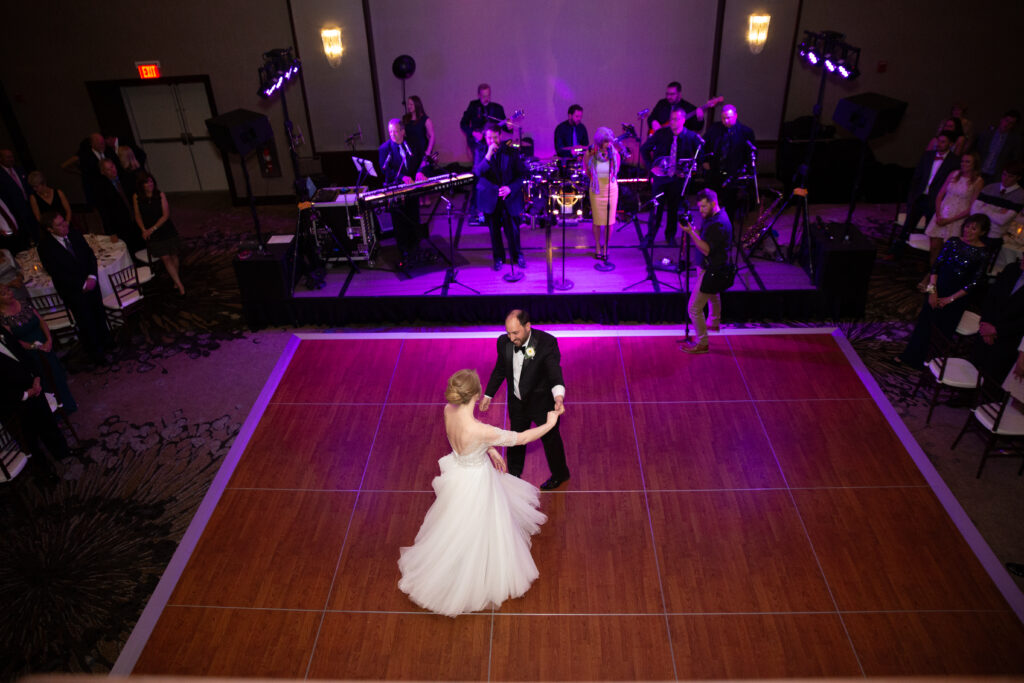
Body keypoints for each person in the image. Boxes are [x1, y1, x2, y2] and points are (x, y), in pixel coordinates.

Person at [397, 368, 560, 617]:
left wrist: (490, 450)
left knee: (455, 525)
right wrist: (550, 423)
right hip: (477, 481)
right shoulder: (481, 431)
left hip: (459, 473)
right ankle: (471, 573)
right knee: (479, 526)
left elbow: (464, 443)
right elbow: (523, 437)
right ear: (475, 395)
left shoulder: (447, 411)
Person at [480, 309, 569, 490]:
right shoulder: (503, 342)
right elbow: (500, 369)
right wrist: (488, 394)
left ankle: (560, 474)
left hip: (541, 403)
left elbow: (554, 373)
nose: (511, 338)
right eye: (508, 333)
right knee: (515, 438)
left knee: (551, 440)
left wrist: (558, 397)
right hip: (517, 403)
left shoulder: (546, 343)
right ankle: (513, 473)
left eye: (515, 333)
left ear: (528, 326)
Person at [897, 214, 990, 367]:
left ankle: (930, 363)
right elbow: (936, 267)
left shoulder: (983, 253)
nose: (968, 230)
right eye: (967, 226)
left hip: (957, 298)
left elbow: (974, 283)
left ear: (982, 232)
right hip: (937, 288)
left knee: (942, 331)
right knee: (923, 325)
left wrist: (950, 299)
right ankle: (909, 356)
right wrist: (932, 291)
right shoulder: (953, 242)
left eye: (974, 228)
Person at [36, 212, 111, 367]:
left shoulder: (75, 234)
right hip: (73, 291)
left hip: (91, 283)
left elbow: (90, 255)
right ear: (50, 229)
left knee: (98, 313)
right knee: (86, 321)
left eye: (64, 222)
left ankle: (107, 343)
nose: (65, 226)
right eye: (60, 225)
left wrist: (92, 277)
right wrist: (81, 285)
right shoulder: (45, 247)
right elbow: (56, 272)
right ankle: (96, 354)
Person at [0, 324, 67, 484]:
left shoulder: (2, 330)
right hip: (13, 402)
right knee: (29, 438)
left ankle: (62, 452)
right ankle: (45, 472)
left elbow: (22, 354)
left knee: (48, 422)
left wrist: (36, 377)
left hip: (32, 386)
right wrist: (24, 394)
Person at [0, 283, 77, 412]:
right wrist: (33, 346)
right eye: (4, 294)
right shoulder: (2, 319)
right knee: (45, 380)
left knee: (57, 375)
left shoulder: (23, 303)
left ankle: (68, 404)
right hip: (30, 354)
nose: (9, 294)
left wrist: (49, 340)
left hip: (45, 344)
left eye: (8, 290)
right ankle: (56, 411)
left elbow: (41, 321)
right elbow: (12, 341)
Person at [886, 132, 960, 258]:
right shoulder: (928, 155)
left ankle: (923, 258)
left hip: (935, 201)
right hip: (920, 197)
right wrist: (912, 197)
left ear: (951, 144)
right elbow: (917, 177)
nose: (939, 144)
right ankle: (895, 252)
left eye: (943, 142)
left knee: (930, 231)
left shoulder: (954, 162)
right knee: (907, 226)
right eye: (939, 141)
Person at [679, 188, 733, 354]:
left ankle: (702, 343)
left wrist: (690, 233)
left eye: (703, 207)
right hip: (713, 268)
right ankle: (714, 323)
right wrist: (694, 231)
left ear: (713, 204)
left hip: (712, 270)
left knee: (694, 308)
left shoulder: (718, 224)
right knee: (713, 294)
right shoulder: (715, 217)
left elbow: (706, 249)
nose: (700, 211)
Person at [919, 152, 984, 289]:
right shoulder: (954, 174)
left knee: (946, 252)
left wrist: (950, 220)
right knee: (934, 249)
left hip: (957, 219)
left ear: (974, 165)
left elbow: (972, 206)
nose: (963, 164)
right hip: (942, 214)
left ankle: (931, 281)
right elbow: (940, 194)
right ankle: (932, 277)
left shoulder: (978, 181)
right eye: (962, 161)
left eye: (967, 162)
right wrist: (938, 214)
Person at [640, 106, 702, 247]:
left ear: (683, 120)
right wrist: (651, 167)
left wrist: (694, 167)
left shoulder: (690, 136)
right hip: (661, 178)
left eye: (676, 119)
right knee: (656, 209)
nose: (672, 122)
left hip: (678, 179)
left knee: (674, 209)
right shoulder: (662, 134)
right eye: (671, 119)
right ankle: (650, 237)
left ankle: (670, 236)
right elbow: (644, 149)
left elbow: (700, 153)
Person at [378, 118, 433, 268]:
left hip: (412, 191)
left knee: (414, 218)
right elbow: (386, 170)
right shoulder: (384, 149)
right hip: (397, 191)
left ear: (403, 132)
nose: (393, 135)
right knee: (400, 222)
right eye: (390, 132)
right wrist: (402, 177)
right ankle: (404, 253)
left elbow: (421, 161)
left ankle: (416, 249)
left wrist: (421, 172)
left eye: (396, 131)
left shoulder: (412, 145)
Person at [474, 123, 528, 270]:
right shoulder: (481, 152)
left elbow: (521, 175)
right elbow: (477, 172)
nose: (492, 141)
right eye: (489, 138)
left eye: (495, 138)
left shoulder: (511, 152)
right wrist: (488, 155)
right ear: (485, 137)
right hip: (491, 199)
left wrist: (510, 188)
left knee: (513, 230)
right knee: (494, 231)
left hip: (509, 198)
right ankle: (498, 258)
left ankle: (518, 256)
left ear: (501, 136)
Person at [702, 104, 756, 226]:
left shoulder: (745, 132)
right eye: (723, 118)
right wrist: (704, 161)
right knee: (711, 203)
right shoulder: (715, 128)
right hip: (715, 172)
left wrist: (744, 172)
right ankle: (710, 229)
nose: (726, 121)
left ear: (735, 116)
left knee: (729, 207)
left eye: (729, 118)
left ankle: (727, 232)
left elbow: (750, 155)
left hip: (733, 175)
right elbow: (704, 144)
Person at [973, 255, 1024, 380]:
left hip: (1008, 338)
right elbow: (991, 296)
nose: (1023, 260)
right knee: (973, 364)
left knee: (992, 375)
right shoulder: (1012, 269)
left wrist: (997, 330)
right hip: (987, 326)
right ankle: (963, 394)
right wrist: (985, 323)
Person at [133, 171, 184, 295]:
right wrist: (143, 230)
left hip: (165, 229)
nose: (149, 184)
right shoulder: (136, 197)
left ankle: (175, 280)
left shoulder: (160, 195)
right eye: (146, 182)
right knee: (165, 258)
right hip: (153, 234)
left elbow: (165, 215)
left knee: (173, 255)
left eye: (151, 181)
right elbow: (138, 216)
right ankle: (181, 286)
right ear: (141, 185)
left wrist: (152, 229)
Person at [585, 126, 620, 260]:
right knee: (597, 221)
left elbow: (616, 172)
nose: (608, 144)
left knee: (609, 222)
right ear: (599, 142)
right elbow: (587, 171)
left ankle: (606, 246)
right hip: (596, 189)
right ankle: (597, 246)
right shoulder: (590, 152)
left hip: (611, 189)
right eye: (606, 142)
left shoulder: (614, 153)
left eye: (609, 141)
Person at [96, 158, 144, 253]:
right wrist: (111, 233)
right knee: (129, 249)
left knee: (142, 246)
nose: (112, 170)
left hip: (136, 220)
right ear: (103, 172)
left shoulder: (126, 179)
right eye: (108, 169)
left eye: (112, 166)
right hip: (120, 225)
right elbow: (104, 212)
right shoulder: (102, 189)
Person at [976, 110, 1022, 183]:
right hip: (979, 172)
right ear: (1002, 119)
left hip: (996, 176)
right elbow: (978, 151)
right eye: (1006, 121)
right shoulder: (987, 134)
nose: (1007, 124)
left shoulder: (1014, 140)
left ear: (1013, 125)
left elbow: (1014, 160)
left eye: (1011, 123)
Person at [402, 95, 435, 164]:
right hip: (410, 152)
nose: (409, 106)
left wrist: (428, 151)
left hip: (422, 151)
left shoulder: (425, 119)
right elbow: (403, 134)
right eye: (408, 104)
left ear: (417, 105)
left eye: (411, 104)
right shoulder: (406, 118)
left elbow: (432, 136)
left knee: (422, 172)